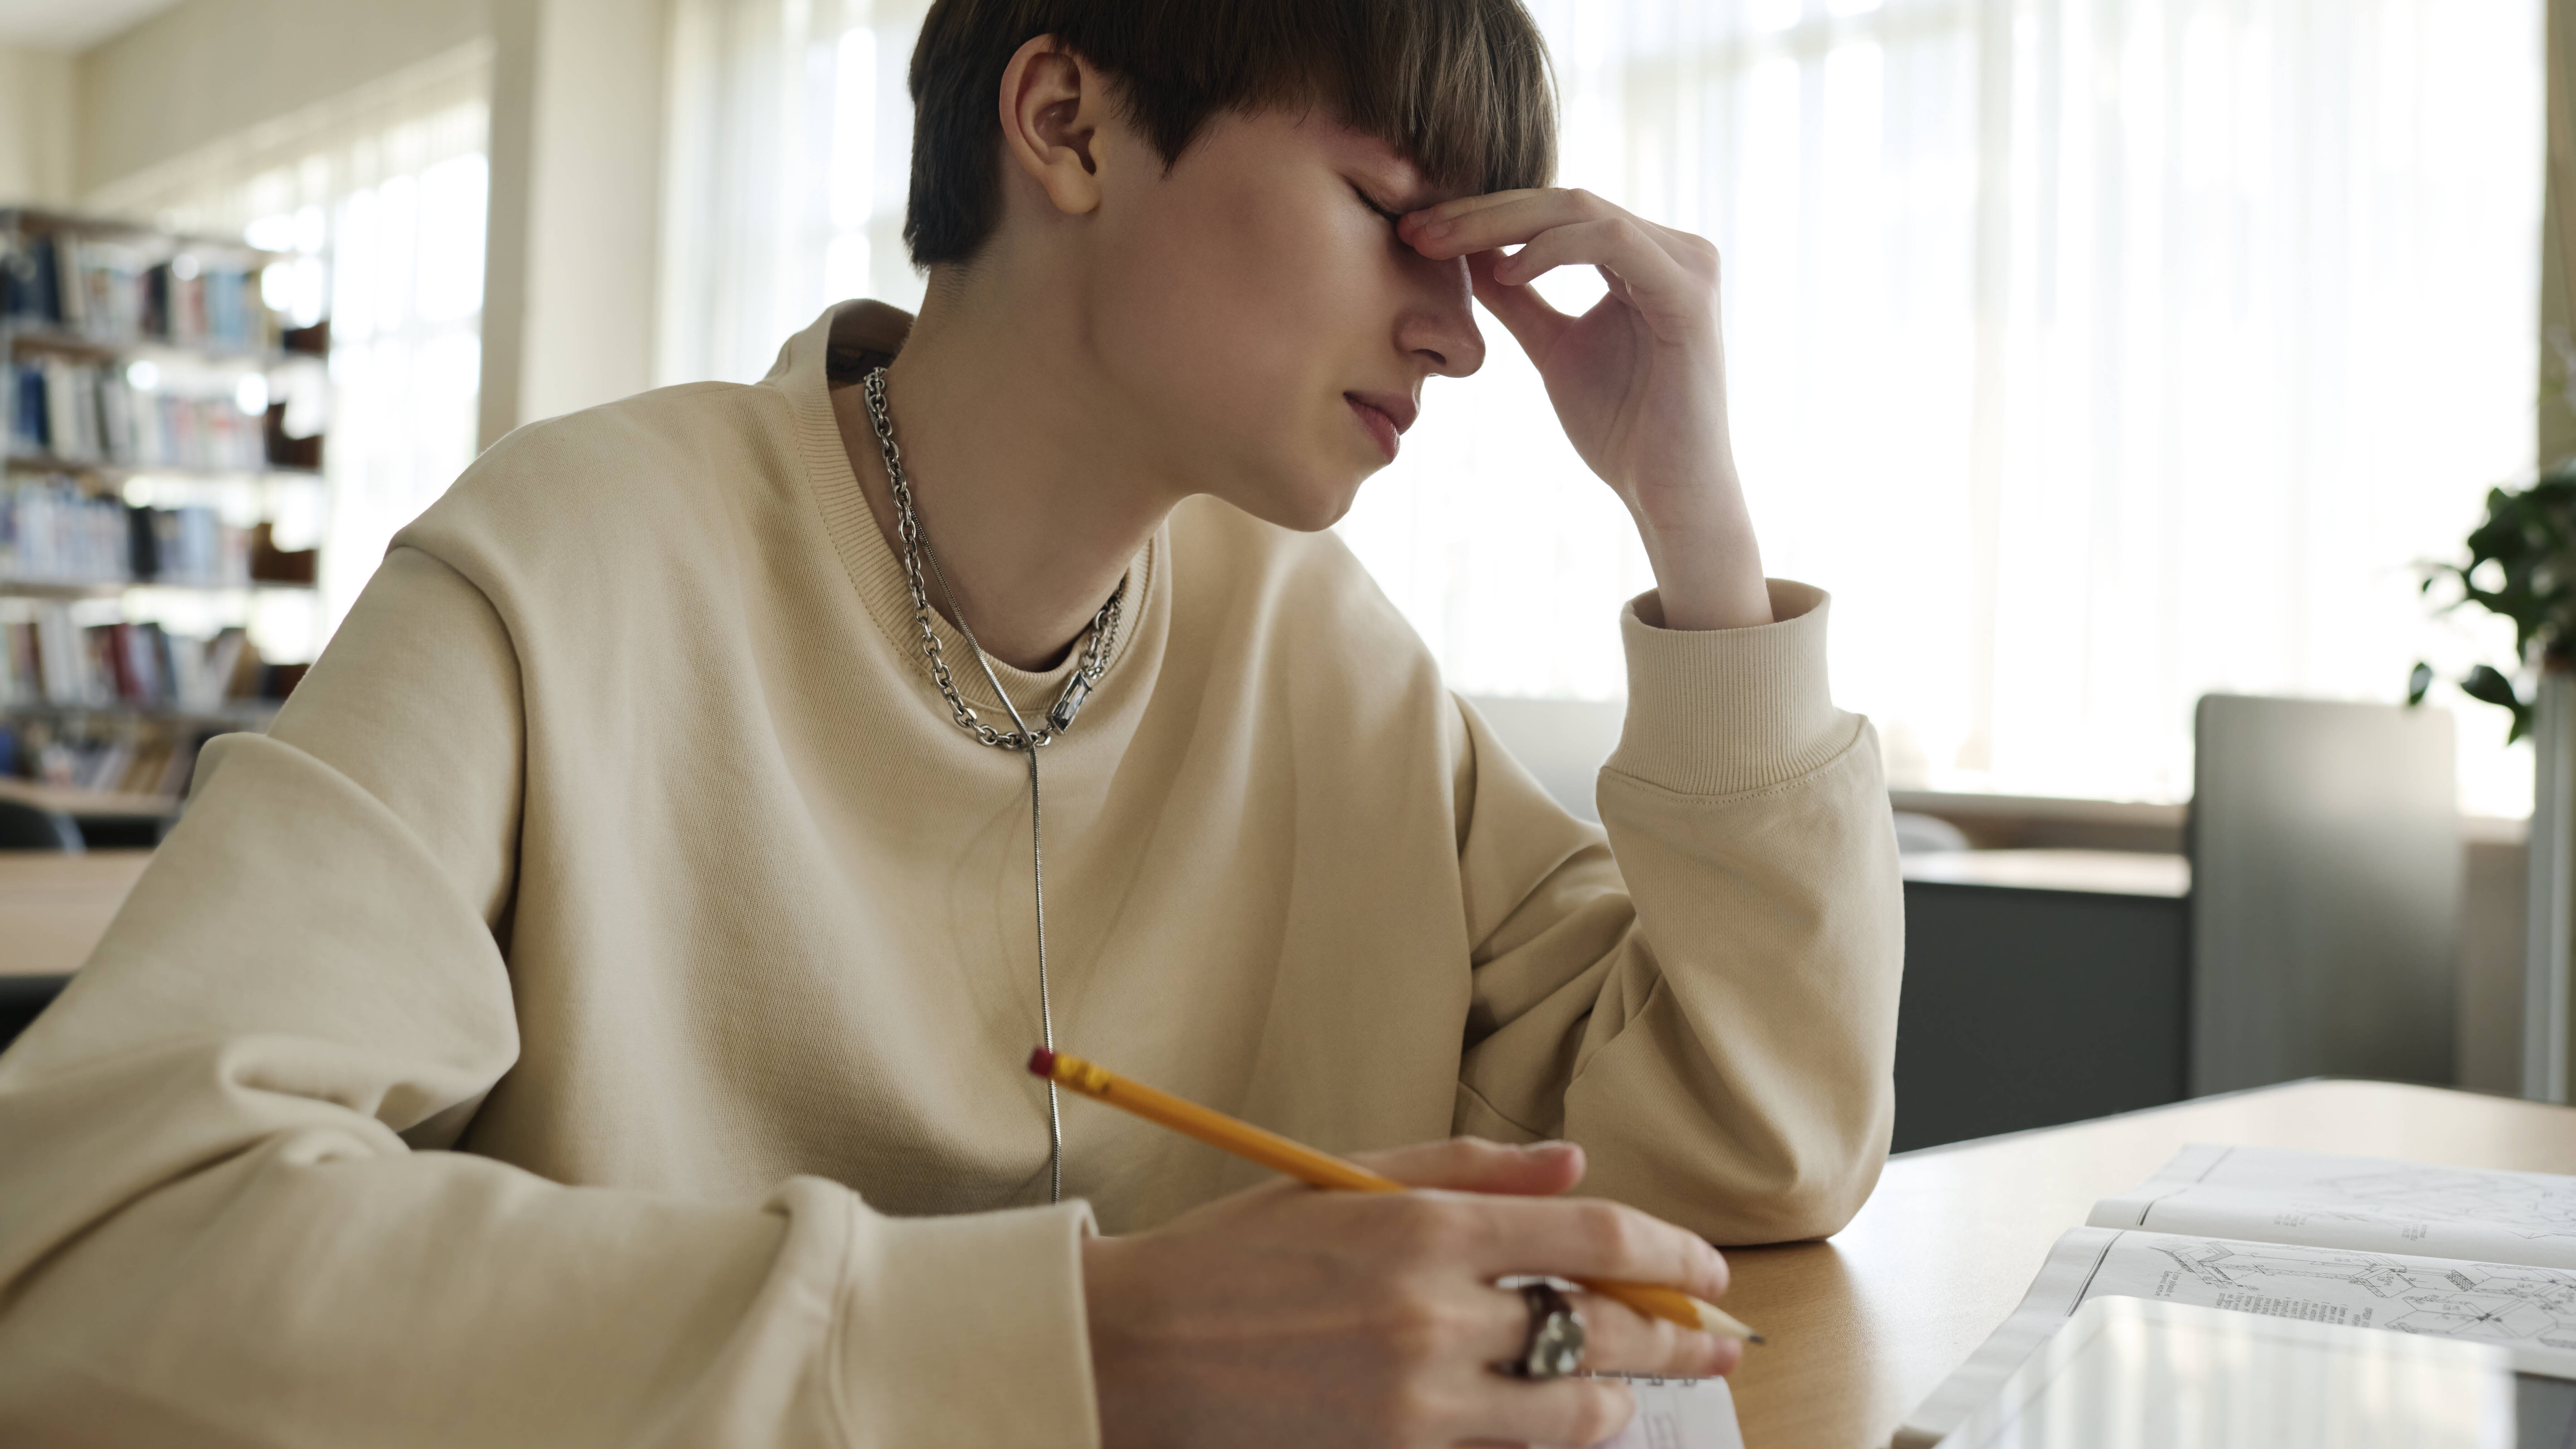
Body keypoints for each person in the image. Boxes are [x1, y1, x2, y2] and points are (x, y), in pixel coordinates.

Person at [0, 0, 1902, 1444]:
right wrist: (1104, 1345)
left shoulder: (1325, 657)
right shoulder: (572, 565)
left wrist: (1698, 527)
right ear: (1067, 122)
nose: (1459, 330)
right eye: (1394, 212)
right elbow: (90, 1254)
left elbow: (1754, 1148)